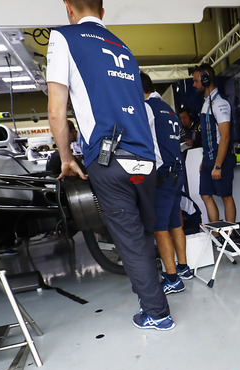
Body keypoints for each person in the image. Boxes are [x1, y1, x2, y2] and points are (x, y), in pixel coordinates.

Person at [47, 0, 174, 331]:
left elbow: (57, 112)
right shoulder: (123, 47)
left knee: (131, 240)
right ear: (102, 11)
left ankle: (157, 314)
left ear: (68, 8)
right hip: (144, 161)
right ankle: (155, 293)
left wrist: (66, 158)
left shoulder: (64, 37)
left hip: (109, 159)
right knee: (143, 235)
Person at [141, 72, 193, 294]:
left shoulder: (146, 108)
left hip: (161, 176)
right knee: (175, 224)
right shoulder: (167, 108)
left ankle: (171, 279)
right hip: (177, 172)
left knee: (159, 228)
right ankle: (183, 268)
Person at [192, 64, 235, 224]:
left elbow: (225, 137)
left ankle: (229, 236)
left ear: (205, 80)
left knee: (225, 196)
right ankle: (217, 235)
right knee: (205, 194)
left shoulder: (220, 103)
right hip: (209, 158)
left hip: (221, 159)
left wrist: (217, 165)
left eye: (196, 81)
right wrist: (205, 160)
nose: (194, 84)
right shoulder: (206, 102)